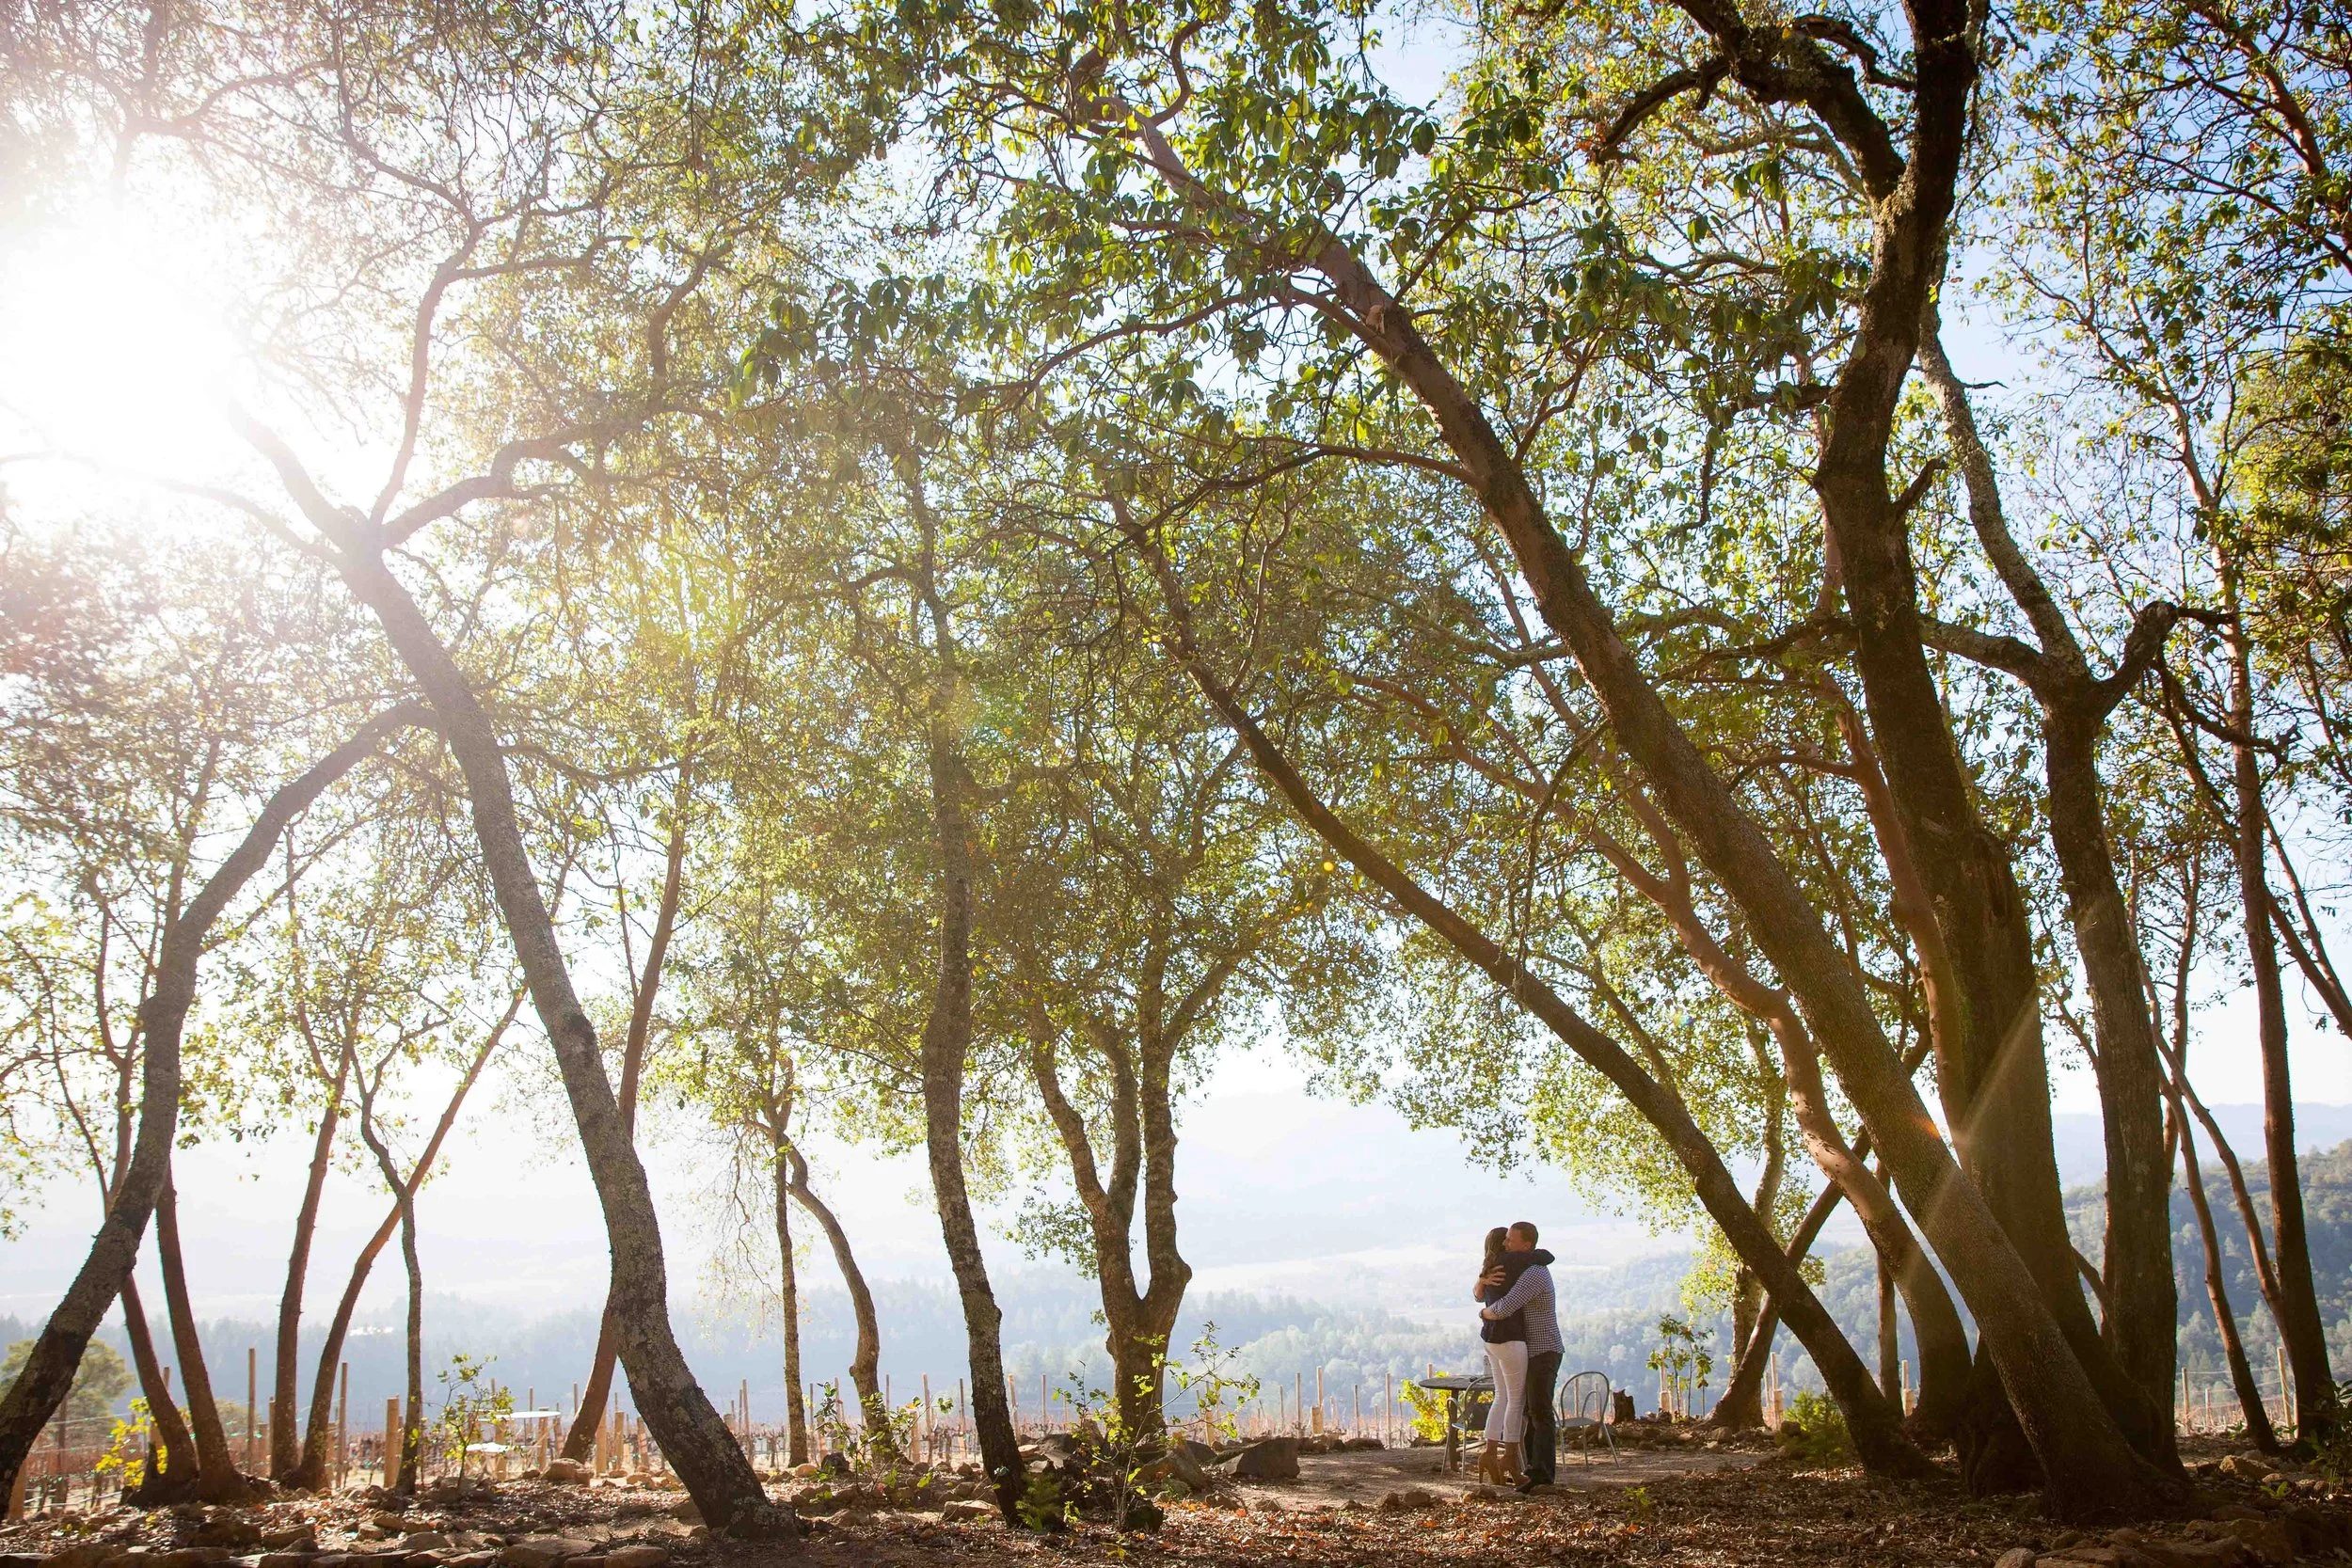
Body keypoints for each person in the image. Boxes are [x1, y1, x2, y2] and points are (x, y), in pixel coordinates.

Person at [1476, 1220, 1559, 1491]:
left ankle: (1541, 1473)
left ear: (1526, 1245)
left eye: (1511, 1240)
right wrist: (1481, 1282)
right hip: (1526, 1348)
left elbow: (1506, 1306)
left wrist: (1484, 1313)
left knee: (1539, 1411)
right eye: (1505, 1240)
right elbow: (1487, 1292)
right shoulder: (1520, 1266)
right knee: (1527, 1408)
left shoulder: (1534, 1272)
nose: (1506, 1244)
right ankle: (1527, 1466)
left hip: (1543, 1349)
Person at [1474, 1226, 1533, 1485]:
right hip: (1511, 1338)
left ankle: (1488, 1454)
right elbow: (1544, 1257)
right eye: (1507, 1239)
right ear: (1503, 1244)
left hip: (1490, 1338)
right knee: (1516, 1401)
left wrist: (1480, 1281)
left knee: (1501, 1397)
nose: (1510, 1243)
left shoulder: (1488, 1268)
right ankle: (1509, 1457)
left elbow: (1478, 1296)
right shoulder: (1511, 1263)